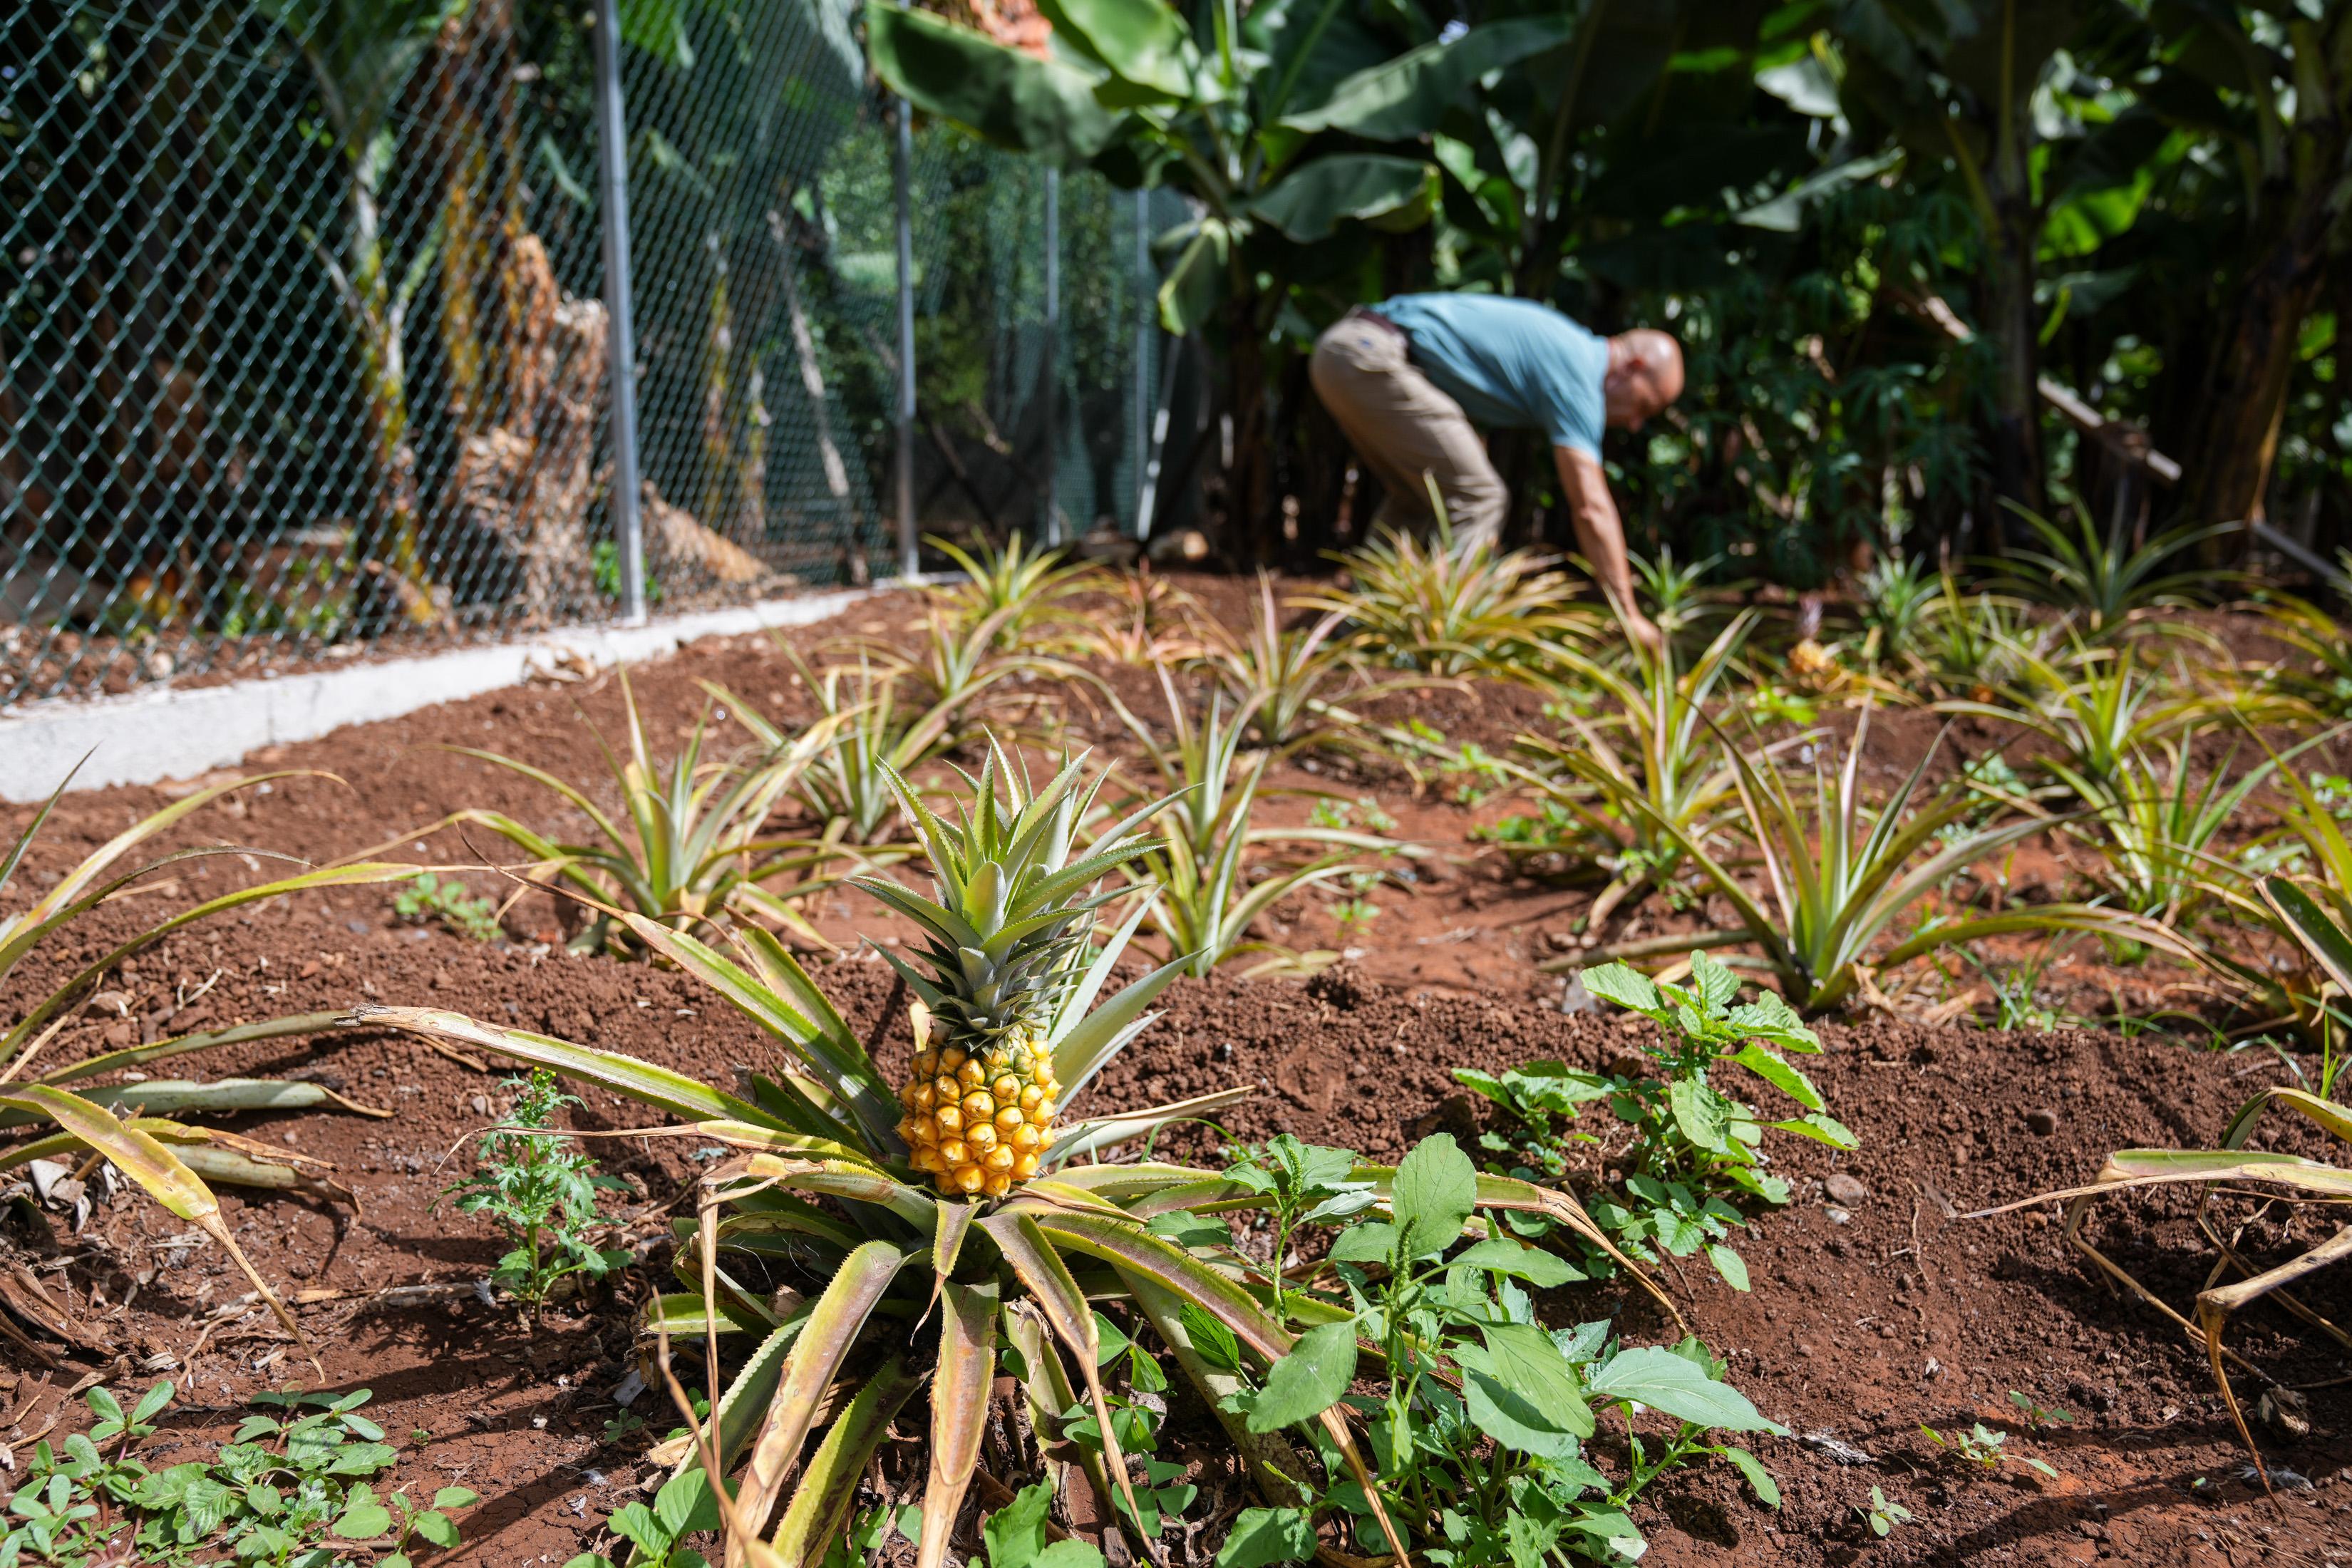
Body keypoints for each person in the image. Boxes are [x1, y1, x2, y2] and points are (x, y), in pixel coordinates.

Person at [1309, 292, 1683, 651]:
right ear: (1633, 369)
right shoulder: (1581, 373)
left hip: (1346, 350)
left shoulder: (1569, 344)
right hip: (1371, 355)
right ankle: (1445, 642)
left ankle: (1357, 627)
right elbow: (1590, 505)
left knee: (1418, 499)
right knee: (1479, 495)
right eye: (1644, 408)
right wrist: (1628, 612)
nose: (1634, 424)